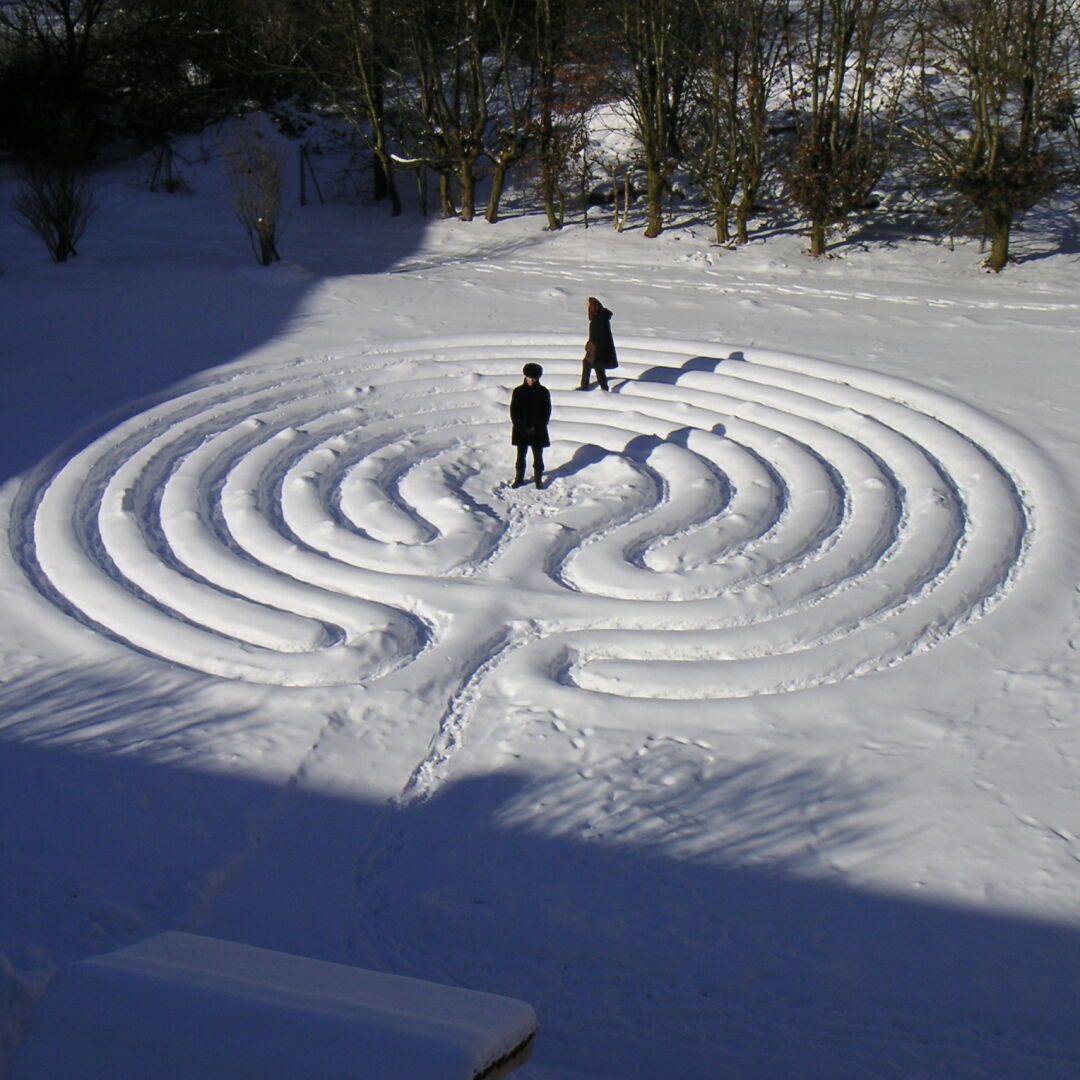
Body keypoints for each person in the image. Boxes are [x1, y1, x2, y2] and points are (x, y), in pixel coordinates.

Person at [510, 362, 551, 489]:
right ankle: (519, 478)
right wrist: (521, 425)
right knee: (520, 456)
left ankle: (538, 480)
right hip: (521, 429)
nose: (532, 380)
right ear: (525, 376)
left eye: (535, 378)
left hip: (538, 430)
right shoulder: (518, 391)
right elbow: (514, 411)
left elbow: (546, 411)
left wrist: (536, 426)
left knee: (538, 457)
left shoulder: (543, 392)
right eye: (530, 377)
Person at [579, 296, 618, 391]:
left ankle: (598, 388)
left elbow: (600, 337)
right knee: (593, 366)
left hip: (598, 350)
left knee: (595, 366)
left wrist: (596, 351)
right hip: (595, 348)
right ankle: (599, 387)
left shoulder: (599, 320)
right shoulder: (599, 318)